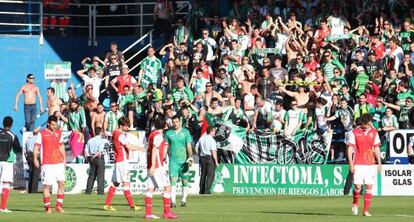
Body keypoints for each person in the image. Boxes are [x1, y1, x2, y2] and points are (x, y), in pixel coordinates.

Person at [104, 117, 142, 211]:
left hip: (118, 161)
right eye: (126, 125)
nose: (127, 127)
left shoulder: (115, 133)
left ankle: (107, 204)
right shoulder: (120, 135)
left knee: (115, 183)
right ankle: (132, 206)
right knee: (126, 183)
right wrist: (139, 148)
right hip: (123, 161)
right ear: (121, 125)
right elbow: (128, 146)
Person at [347, 114, 381, 217]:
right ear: (361, 123)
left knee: (369, 186)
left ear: (370, 122)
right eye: (364, 124)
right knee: (357, 187)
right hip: (358, 163)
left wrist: (379, 163)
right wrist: (351, 163)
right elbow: (349, 148)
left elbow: (376, 148)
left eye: (368, 124)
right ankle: (355, 202)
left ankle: (365, 211)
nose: (366, 126)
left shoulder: (374, 133)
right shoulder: (355, 132)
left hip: (370, 164)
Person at [145, 117, 179, 219]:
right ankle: (167, 212)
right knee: (167, 188)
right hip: (157, 166)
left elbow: (150, 149)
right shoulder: (158, 136)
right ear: (164, 126)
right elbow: (155, 150)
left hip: (152, 164)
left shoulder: (152, 134)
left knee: (150, 189)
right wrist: (153, 166)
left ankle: (148, 213)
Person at [34, 116, 66, 213]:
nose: (54, 126)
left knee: (62, 183)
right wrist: (35, 159)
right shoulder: (42, 133)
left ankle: (59, 205)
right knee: (47, 185)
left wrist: (64, 159)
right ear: (48, 123)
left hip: (58, 162)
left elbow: (61, 146)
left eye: (56, 124)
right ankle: (47, 207)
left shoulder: (59, 133)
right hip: (47, 163)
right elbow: (36, 147)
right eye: (52, 124)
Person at [164, 116, 193, 208]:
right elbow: (166, 147)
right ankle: (173, 202)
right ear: (171, 123)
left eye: (177, 122)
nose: (175, 124)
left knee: (185, 181)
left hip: (184, 160)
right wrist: (163, 157)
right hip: (173, 160)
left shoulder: (185, 132)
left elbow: (188, 145)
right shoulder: (168, 133)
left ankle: (183, 200)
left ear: (179, 122)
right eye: (173, 122)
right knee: (173, 180)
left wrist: (190, 157)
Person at [0, 116, 22, 213]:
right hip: (7, 162)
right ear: (11, 124)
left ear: (3, 123)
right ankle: (3, 207)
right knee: (6, 183)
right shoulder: (13, 135)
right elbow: (17, 149)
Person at [84, 127, 108, 195]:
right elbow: (100, 151)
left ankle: (88, 191)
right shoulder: (101, 140)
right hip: (99, 158)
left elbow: (85, 150)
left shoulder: (90, 140)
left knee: (92, 175)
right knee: (100, 175)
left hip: (91, 158)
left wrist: (89, 156)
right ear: (101, 132)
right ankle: (100, 191)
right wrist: (94, 156)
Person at [196, 126, 218, 195]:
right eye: (214, 131)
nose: (215, 133)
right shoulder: (212, 140)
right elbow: (213, 151)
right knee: (210, 175)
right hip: (209, 157)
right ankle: (207, 190)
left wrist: (199, 155)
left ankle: (201, 190)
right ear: (211, 131)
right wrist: (216, 161)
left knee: (203, 174)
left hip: (202, 157)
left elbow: (196, 147)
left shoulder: (202, 138)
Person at [25, 128, 40, 194]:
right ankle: (34, 191)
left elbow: (25, 149)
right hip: (35, 155)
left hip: (29, 155)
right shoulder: (38, 138)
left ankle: (30, 190)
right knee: (35, 174)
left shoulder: (28, 138)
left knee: (31, 173)